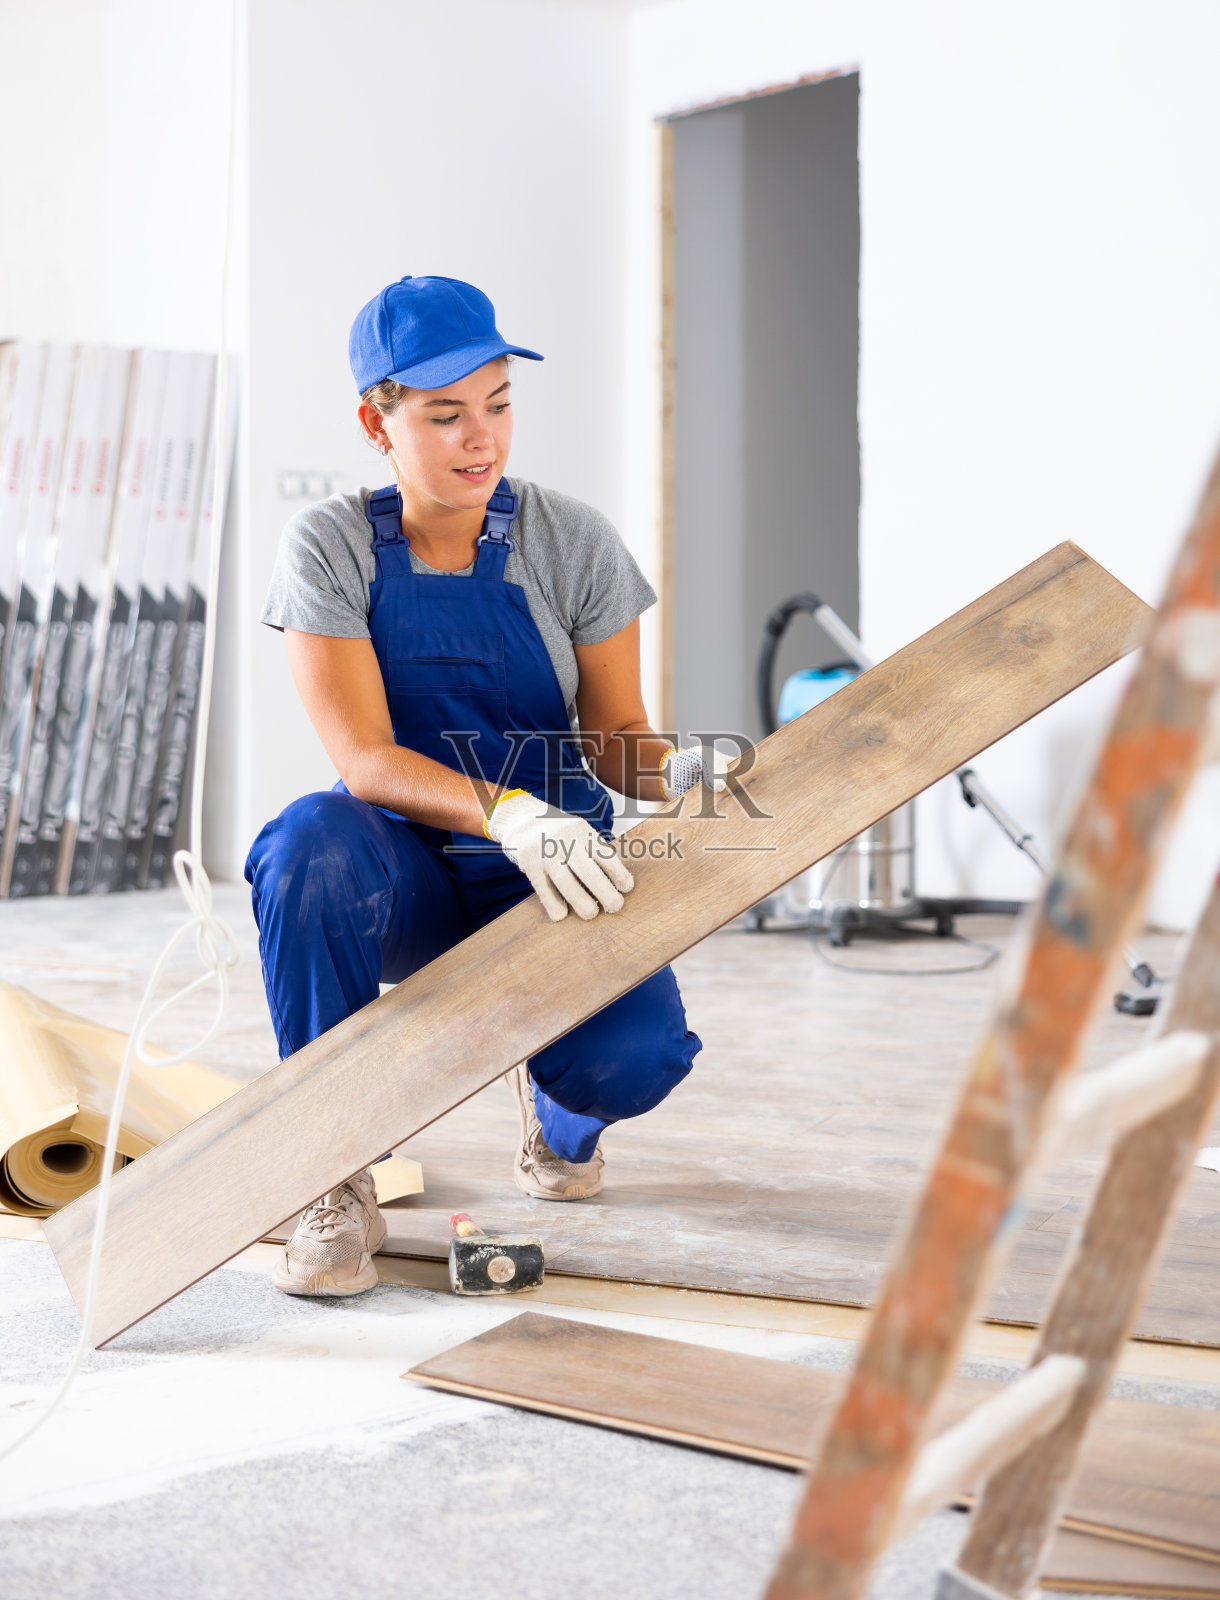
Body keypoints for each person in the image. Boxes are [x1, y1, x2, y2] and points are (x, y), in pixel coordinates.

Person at [247, 275, 727, 1298]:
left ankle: (557, 1116)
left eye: (498, 404)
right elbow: (364, 759)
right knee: (304, 847)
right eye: (444, 414)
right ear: (376, 421)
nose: (481, 438)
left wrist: (678, 769)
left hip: (559, 876)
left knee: (635, 1058)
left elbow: (615, 738)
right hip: (407, 870)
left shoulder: (572, 539)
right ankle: (330, 1172)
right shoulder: (328, 547)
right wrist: (508, 812)